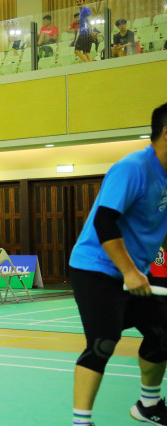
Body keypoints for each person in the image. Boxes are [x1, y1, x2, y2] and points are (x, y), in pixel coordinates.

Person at [69, 102, 167, 426]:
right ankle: (81, 422)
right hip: (96, 268)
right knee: (103, 342)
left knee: (163, 333)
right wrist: (129, 271)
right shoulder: (133, 168)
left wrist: (135, 272)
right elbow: (104, 222)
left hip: (135, 272)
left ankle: (148, 405)